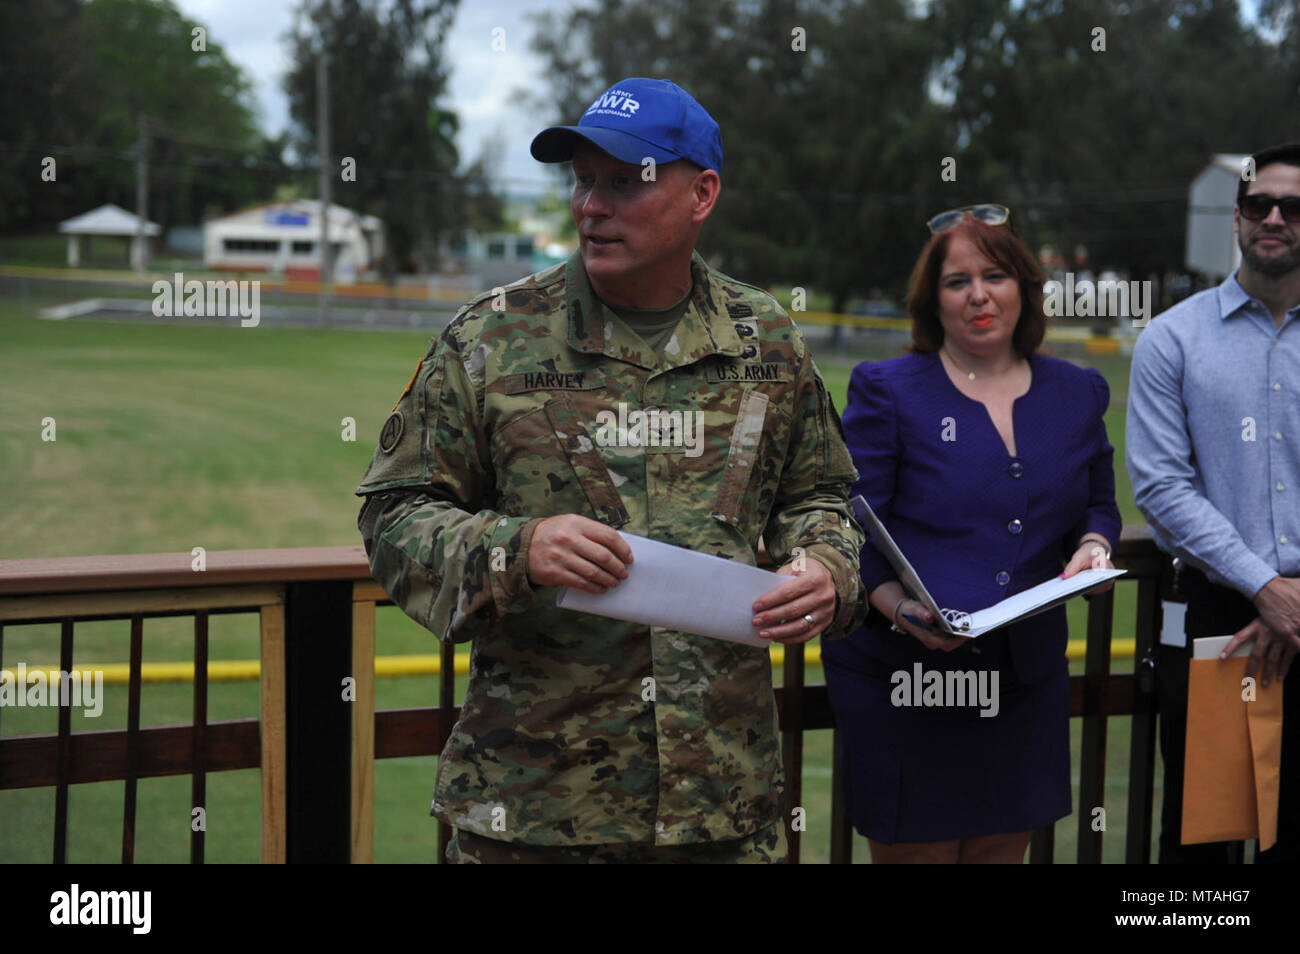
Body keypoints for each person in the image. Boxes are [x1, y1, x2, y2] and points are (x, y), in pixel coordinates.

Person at [353, 77, 865, 864]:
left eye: (624, 183)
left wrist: (825, 564)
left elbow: (818, 494)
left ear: (701, 195)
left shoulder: (765, 338)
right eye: (584, 180)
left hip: (721, 812)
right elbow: (393, 516)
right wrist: (516, 550)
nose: (592, 206)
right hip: (534, 814)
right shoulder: (492, 338)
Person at [823, 204, 1121, 863]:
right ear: (934, 300)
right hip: (908, 678)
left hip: (1023, 684)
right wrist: (900, 609)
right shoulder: (888, 389)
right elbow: (855, 528)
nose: (979, 295)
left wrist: (1095, 548)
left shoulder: (1077, 392)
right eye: (957, 281)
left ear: (1024, 287)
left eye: (996, 274)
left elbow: (1099, 504)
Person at [1127, 141, 1300, 864]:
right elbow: (1162, 489)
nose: (1275, 217)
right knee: (1201, 843)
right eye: (1259, 203)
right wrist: (1266, 588)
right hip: (1216, 617)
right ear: (1236, 217)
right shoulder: (1174, 337)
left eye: (1294, 207)